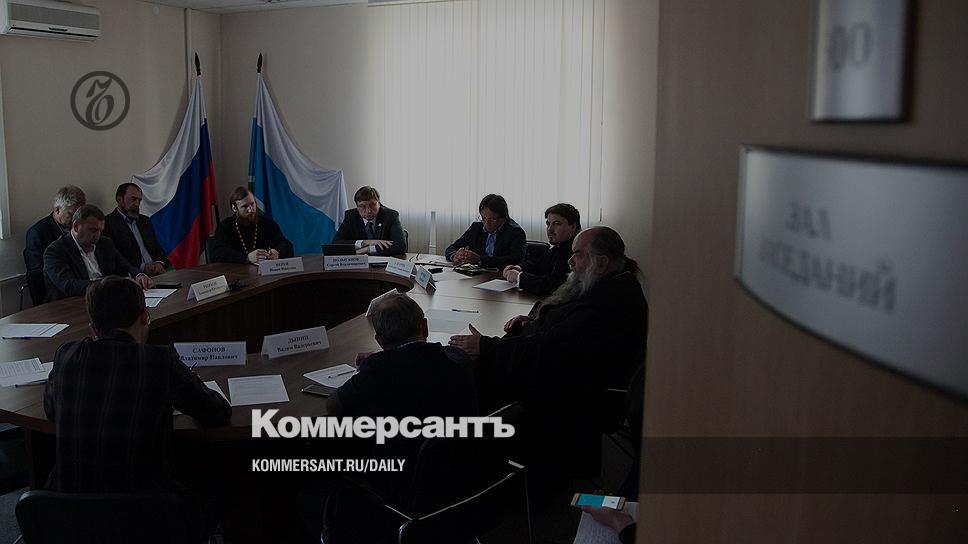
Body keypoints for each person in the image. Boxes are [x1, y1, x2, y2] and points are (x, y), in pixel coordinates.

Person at [449, 226, 648, 490]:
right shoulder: (612, 283)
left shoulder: (609, 303)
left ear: (601, 263)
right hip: (569, 370)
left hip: (575, 391)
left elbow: (547, 351)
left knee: (470, 374)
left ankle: (473, 468)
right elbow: (566, 325)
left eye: (578, 255)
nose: (570, 261)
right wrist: (534, 321)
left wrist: (485, 347)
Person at [43, 276, 232, 536]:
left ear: (93, 328)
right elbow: (217, 413)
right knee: (221, 476)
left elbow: (51, 410)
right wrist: (189, 381)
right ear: (145, 317)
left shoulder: (66, 355)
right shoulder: (159, 361)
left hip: (69, 518)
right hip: (147, 519)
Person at [307, 292, 478, 543]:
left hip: (405, 493)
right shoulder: (458, 360)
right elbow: (426, 361)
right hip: (467, 486)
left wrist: (374, 366)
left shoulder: (378, 373)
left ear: (379, 340)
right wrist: (381, 363)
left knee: (310, 490)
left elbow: (334, 406)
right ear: (424, 326)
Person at [43, 205, 153, 302]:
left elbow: (125, 266)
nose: (97, 236)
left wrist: (139, 275)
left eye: (100, 231)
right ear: (76, 226)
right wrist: (111, 285)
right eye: (93, 230)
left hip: (105, 300)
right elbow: (69, 285)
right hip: (71, 306)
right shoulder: (55, 251)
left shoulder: (105, 243)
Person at [502, 203, 580, 296]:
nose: (550, 229)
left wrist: (519, 277)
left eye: (557, 224)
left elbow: (554, 286)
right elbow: (539, 263)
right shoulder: (560, 246)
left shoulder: (576, 252)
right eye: (548, 224)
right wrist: (518, 268)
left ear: (573, 227)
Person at [210, 186, 294, 264]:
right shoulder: (225, 227)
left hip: (263, 272)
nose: (251, 210)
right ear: (234, 208)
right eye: (245, 206)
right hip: (236, 272)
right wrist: (247, 258)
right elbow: (218, 254)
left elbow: (286, 245)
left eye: (252, 204)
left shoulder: (267, 223)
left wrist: (277, 252)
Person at [103, 182, 170, 276]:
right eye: (133, 199)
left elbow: (157, 248)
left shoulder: (144, 221)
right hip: (134, 276)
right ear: (119, 199)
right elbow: (115, 257)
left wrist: (160, 263)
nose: (137, 204)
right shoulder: (108, 223)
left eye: (139, 200)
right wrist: (142, 267)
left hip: (156, 272)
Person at [445, 194, 526, 269]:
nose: (487, 224)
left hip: (501, 276)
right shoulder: (476, 228)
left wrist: (480, 259)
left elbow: (515, 260)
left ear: (503, 217)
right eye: (483, 218)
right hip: (476, 275)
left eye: (492, 219)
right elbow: (452, 247)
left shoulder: (515, 232)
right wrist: (454, 256)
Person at [24, 185, 86, 272]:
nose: (76, 219)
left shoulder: (82, 227)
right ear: (57, 210)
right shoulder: (37, 233)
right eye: (71, 214)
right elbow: (36, 272)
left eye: (79, 214)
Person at [332, 186, 407, 255]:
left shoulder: (390, 215)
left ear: (379, 203)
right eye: (362, 206)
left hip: (383, 261)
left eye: (372, 205)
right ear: (357, 207)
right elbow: (336, 243)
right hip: (358, 262)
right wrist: (365, 243)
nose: (368, 211)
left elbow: (401, 246)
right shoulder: (351, 216)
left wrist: (368, 249)